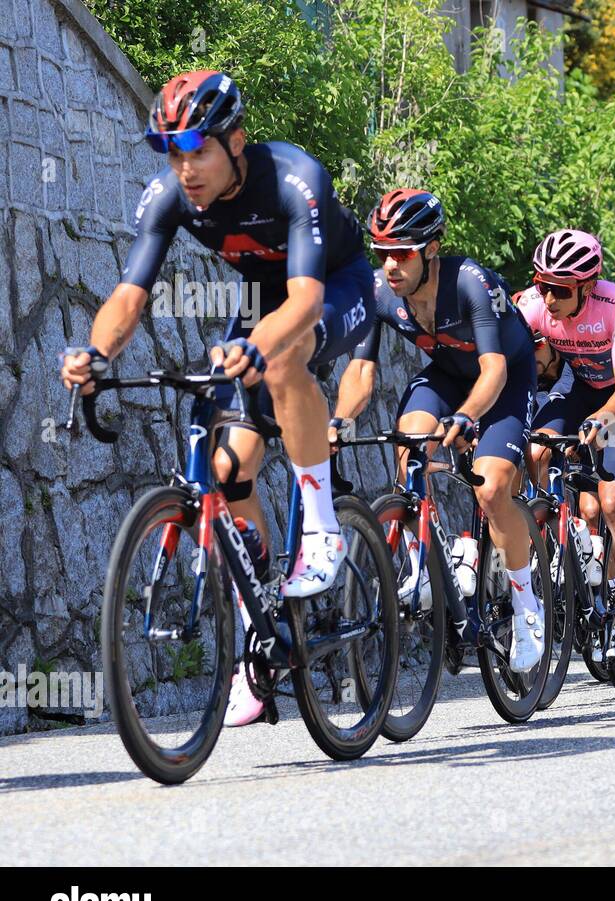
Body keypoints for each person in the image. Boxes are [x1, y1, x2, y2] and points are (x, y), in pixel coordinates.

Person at [59, 71, 378, 726]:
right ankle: (258, 634)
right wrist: (96, 354)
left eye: (197, 150)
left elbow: (307, 301)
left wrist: (260, 347)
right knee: (230, 473)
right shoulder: (168, 195)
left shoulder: (294, 178)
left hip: (336, 289)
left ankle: (321, 528)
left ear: (237, 142)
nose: (185, 168)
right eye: (174, 154)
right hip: (262, 301)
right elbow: (129, 295)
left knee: (285, 355)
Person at [331, 189, 544, 674]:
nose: (390, 264)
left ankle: (527, 605)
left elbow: (492, 371)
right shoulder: (379, 293)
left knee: (490, 490)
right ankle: (424, 563)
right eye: (381, 252)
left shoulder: (472, 283)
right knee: (410, 440)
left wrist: (468, 417)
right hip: (448, 374)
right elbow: (361, 374)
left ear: (430, 248)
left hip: (505, 376)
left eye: (401, 252)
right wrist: (338, 422)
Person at [519, 229, 615, 664]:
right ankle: (564, 534)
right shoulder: (533, 306)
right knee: (536, 450)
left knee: (614, 501)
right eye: (543, 285)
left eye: (560, 289)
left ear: (587, 285)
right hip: (579, 383)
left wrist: (601, 420)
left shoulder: (614, 303)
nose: (550, 297)